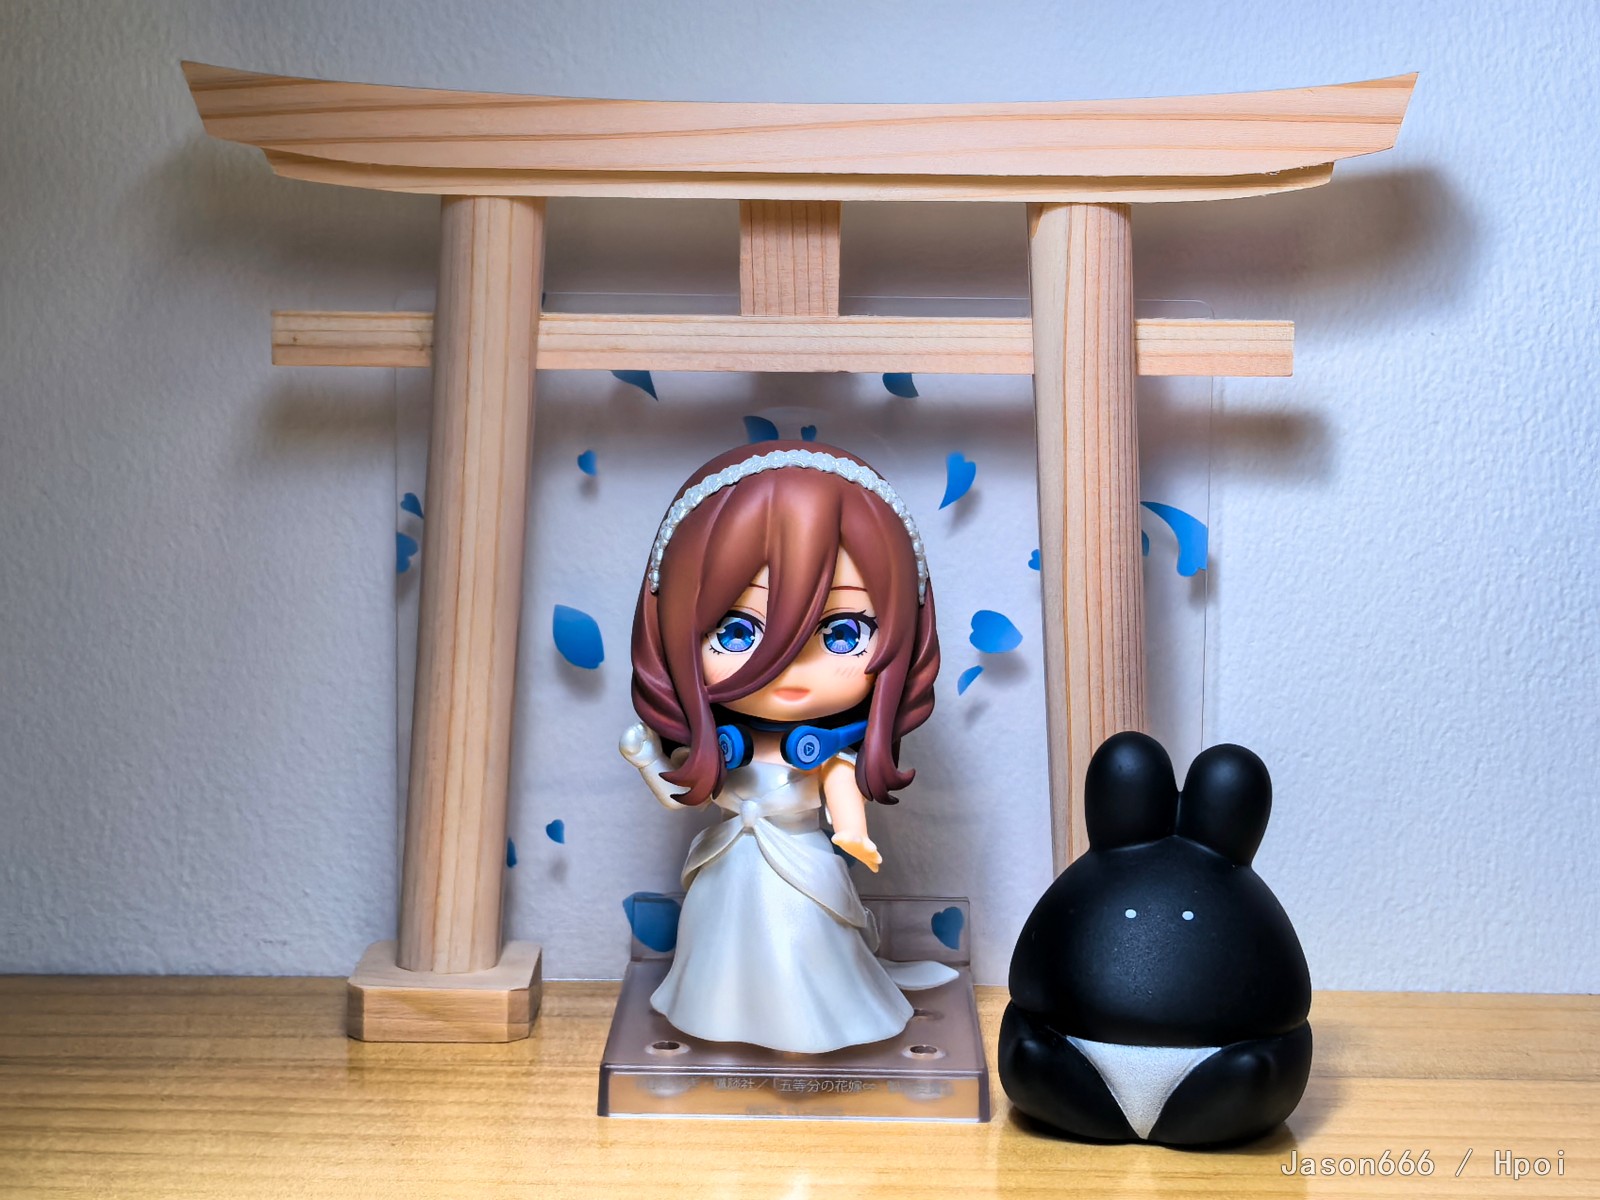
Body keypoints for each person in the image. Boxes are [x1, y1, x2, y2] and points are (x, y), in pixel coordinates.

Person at [620, 440, 956, 1053]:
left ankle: (807, 1033)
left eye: (842, 632)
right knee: (720, 952)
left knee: (803, 944)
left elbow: (841, 790)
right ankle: (720, 1022)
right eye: (738, 631)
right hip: (729, 865)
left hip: (801, 863)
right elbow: (680, 796)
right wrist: (647, 762)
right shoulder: (728, 750)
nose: (787, 667)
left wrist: (853, 834)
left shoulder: (823, 749)